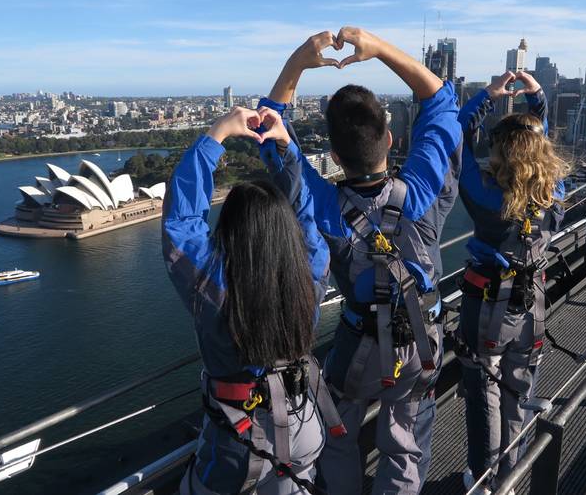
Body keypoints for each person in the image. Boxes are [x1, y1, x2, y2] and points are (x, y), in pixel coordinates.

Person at [258, 27, 462, 494]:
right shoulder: (423, 193)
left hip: (357, 348)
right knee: (405, 443)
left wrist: (297, 62)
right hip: (422, 342)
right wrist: (380, 49)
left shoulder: (324, 207)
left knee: (338, 434)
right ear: (390, 139)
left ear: (333, 155)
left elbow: (271, 132)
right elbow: (442, 105)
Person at [162, 107, 345, 494]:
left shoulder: (214, 290)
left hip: (239, 437)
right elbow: (305, 214)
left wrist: (216, 135)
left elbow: (181, 224)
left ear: (228, 233)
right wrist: (287, 149)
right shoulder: (309, 271)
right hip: (303, 421)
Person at [455, 71, 570, 494]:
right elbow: (544, 142)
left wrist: (486, 96)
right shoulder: (552, 193)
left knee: (484, 391)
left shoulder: (486, 197)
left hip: (487, 306)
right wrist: (538, 100)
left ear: (500, 153)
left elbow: (457, 138)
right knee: (518, 390)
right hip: (534, 303)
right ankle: (511, 474)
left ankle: (484, 481)